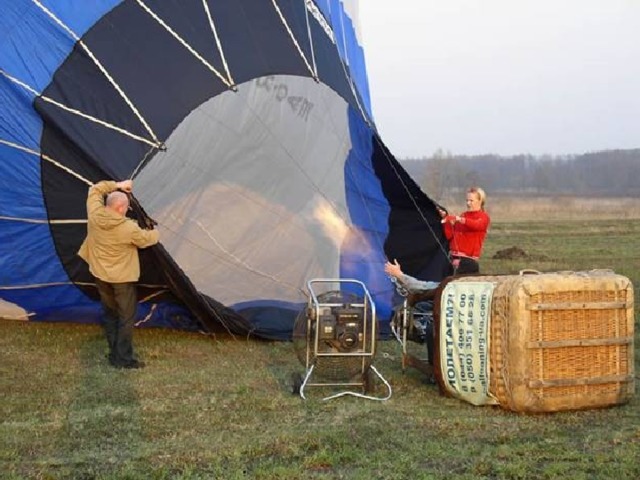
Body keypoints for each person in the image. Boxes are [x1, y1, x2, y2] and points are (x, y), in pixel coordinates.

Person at [78, 180, 159, 369]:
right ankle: (123, 358)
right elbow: (147, 240)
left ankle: (114, 353)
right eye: (127, 207)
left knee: (110, 314)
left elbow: (95, 189)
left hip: (99, 275)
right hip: (122, 280)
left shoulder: (95, 213)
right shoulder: (127, 228)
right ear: (121, 208)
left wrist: (118, 185)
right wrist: (157, 232)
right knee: (126, 318)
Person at [437, 186, 490, 275]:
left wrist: (460, 219)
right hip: (453, 259)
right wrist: (446, 219)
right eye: (467, 200)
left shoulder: (483, 217)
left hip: (468, 261)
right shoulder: (463, 215)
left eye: (471, 201)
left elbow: (477, 225)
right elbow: (450, 235)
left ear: (480, 201)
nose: (468, 203)